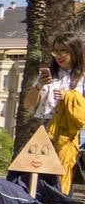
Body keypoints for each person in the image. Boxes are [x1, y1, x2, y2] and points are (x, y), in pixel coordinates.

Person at [26, 32, 85, 192]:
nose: (59, 56)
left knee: (60, 177)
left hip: (67, 134)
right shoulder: (46, 75)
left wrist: (69, 97)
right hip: (43, 129)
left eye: (63, 51)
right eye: (56, 51)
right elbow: (29, 104)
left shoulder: (81, 77)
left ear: (75, 51)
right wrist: (38, 86)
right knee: (36, 178)